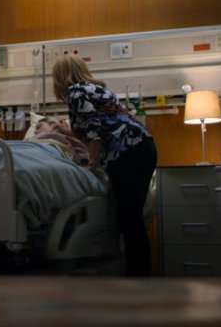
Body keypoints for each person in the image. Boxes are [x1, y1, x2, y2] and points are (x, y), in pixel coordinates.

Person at [52, 55, 157, 276]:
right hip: (142, 146)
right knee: (132, 219)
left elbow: (94, 130)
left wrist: (90, 164)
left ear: (60, 76)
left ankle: (139, 280)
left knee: (131, 220)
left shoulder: (75, 92)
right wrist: (70, 132)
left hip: (128, 152)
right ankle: (140, 277)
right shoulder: (96, 90)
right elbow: (103, 124)